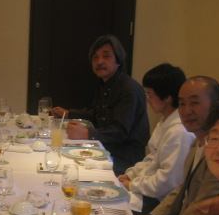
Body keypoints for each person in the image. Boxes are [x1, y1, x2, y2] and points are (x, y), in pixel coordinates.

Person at [138, 76, 219, 215]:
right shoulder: (197, 142)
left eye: (194, 103)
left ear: (216, 106)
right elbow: (182, 188)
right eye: (182, 103)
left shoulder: (217, 154)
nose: (186, 111)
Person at [51, 35, 149, 175]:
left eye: (106, 56)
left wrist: (87, 133)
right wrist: (69, 114)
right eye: (95, 57)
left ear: (118, 60)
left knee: (68, 169)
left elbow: (120, 132)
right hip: (105, 149)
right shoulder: (105, 84)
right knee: (61, 159)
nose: (99, 61)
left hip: (125, 160)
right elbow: (96, 114)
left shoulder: (129, 90)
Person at [118, 63, 194, 213]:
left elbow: (168, 181)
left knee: (108, 204)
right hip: (148, 189)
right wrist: (130, 175)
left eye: (149, 94)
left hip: (160, 201)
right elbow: (151, 159)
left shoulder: (180, 132)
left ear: (167, 97)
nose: (147, 99)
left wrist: (133, 185)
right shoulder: (165, 121)